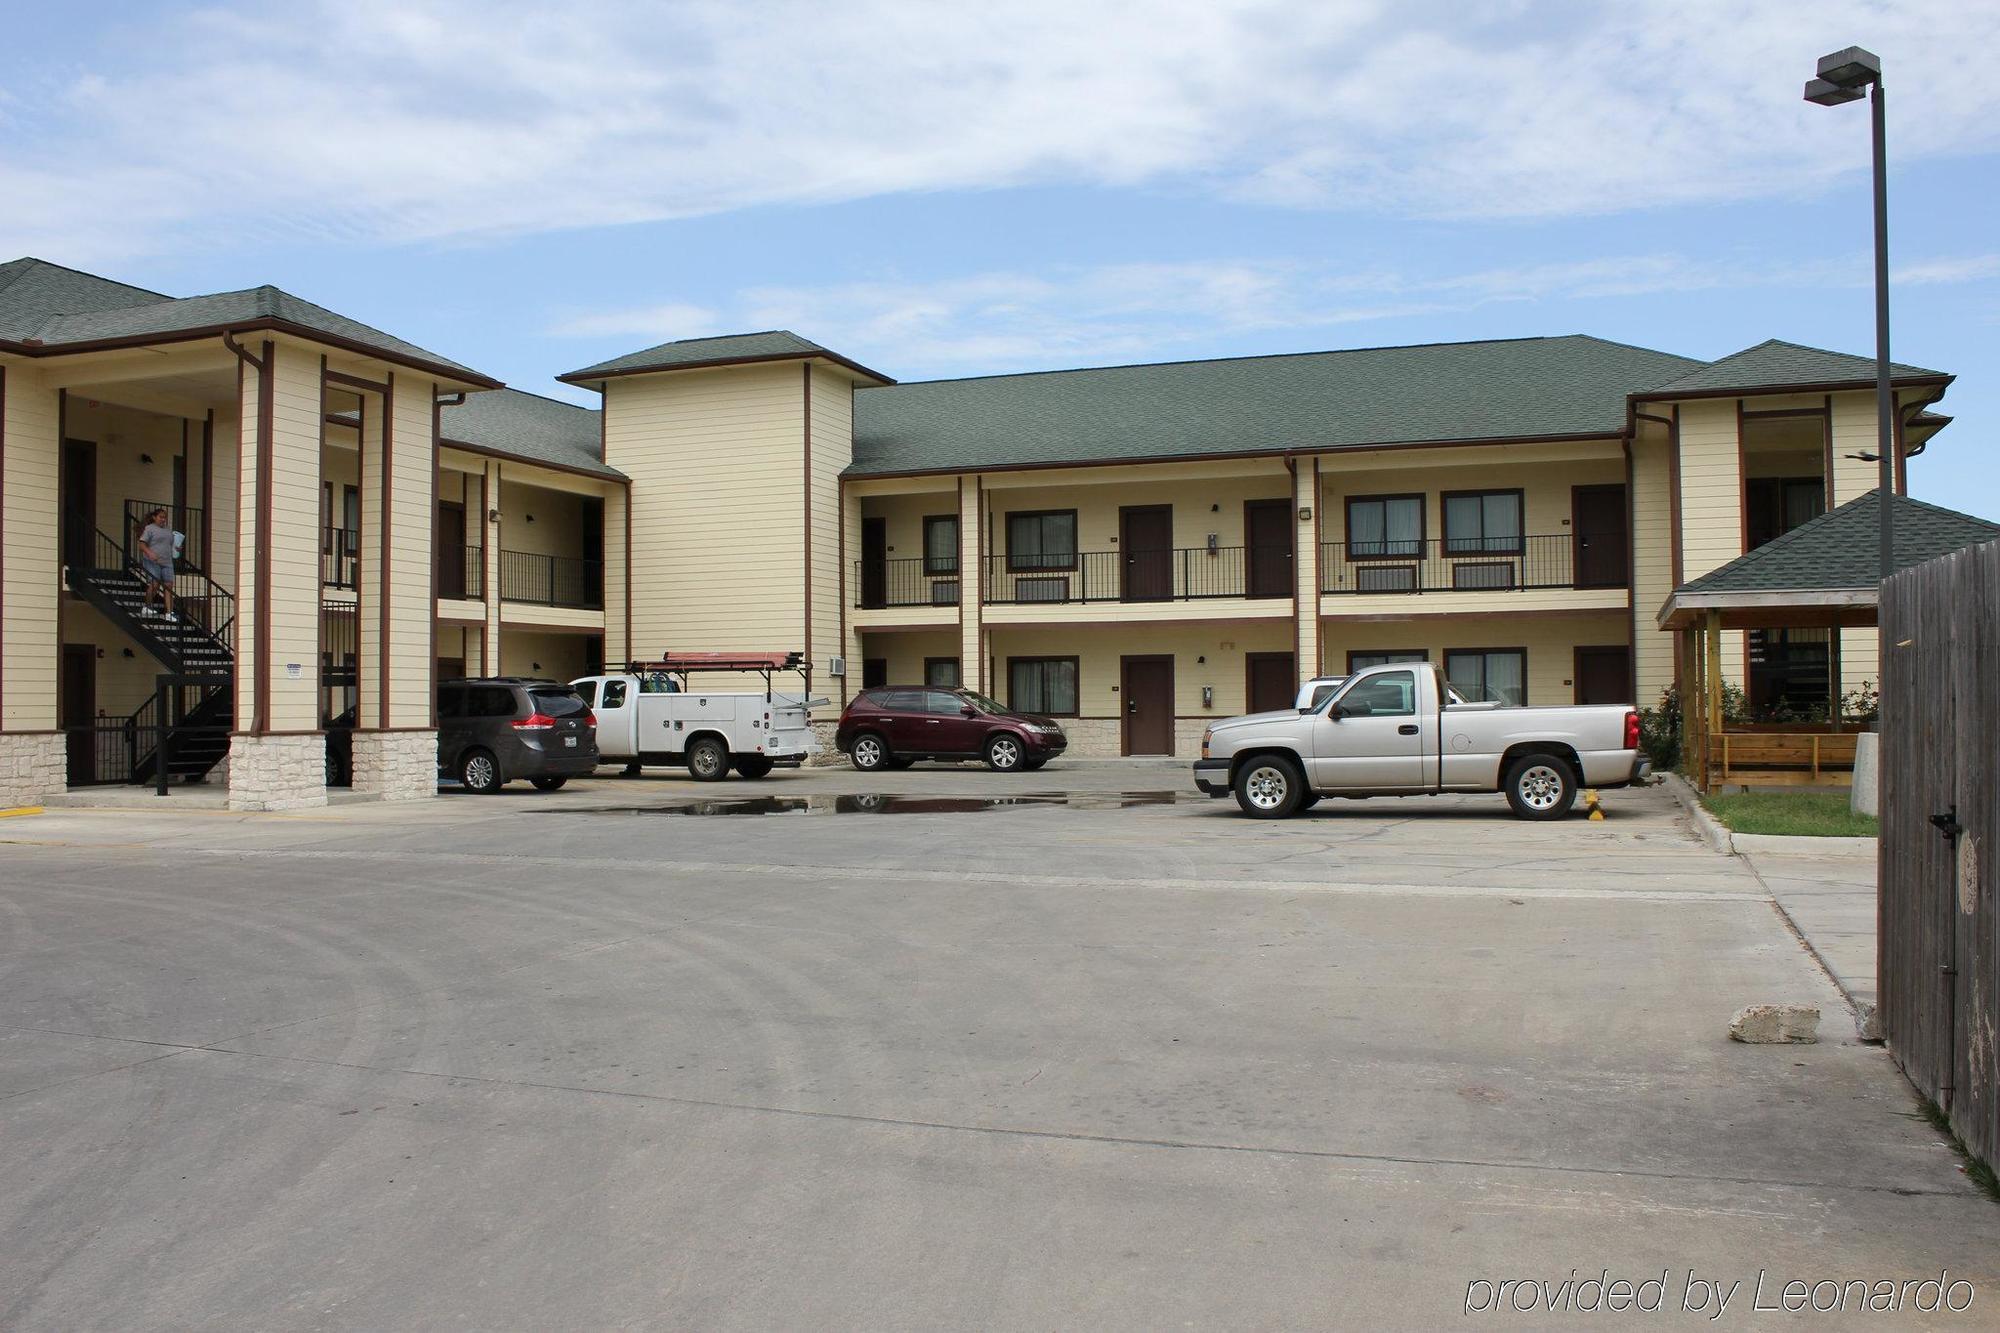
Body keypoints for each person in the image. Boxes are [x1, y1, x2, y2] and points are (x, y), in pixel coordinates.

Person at [137, 507, 178, 621]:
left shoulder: (168, 530)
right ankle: (147, 606)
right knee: (155, 584)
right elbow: (142, 544)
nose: (163, 519)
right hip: (152, 560)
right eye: (161, 517)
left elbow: (171, 545)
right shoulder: (149, 528)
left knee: (169, 586)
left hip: (167, 561)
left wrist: (177, 549)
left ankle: (169, 613)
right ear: (154, 517)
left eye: (165, 517)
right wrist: (150, 553)